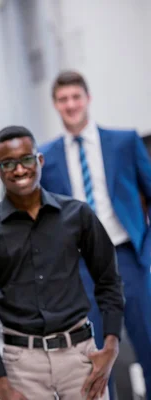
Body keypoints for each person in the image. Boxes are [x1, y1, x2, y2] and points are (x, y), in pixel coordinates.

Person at [0, 125, 124, 400]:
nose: (19, 170)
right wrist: (0, 383)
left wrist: (111, 346)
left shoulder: (78, 215)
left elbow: (109, 280)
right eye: (8, 163)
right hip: (22, 366)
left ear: (39, 160)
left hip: (79, 358)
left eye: (27, 159)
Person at [40, 70, 151, 398]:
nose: (71, 105)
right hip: (81, 267)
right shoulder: (47, 157)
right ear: (55, 105)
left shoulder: (124, 141)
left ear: (87, 99)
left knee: (148, 341)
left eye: (76, 97)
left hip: (127, 255)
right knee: (94, 356)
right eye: (63, 99)